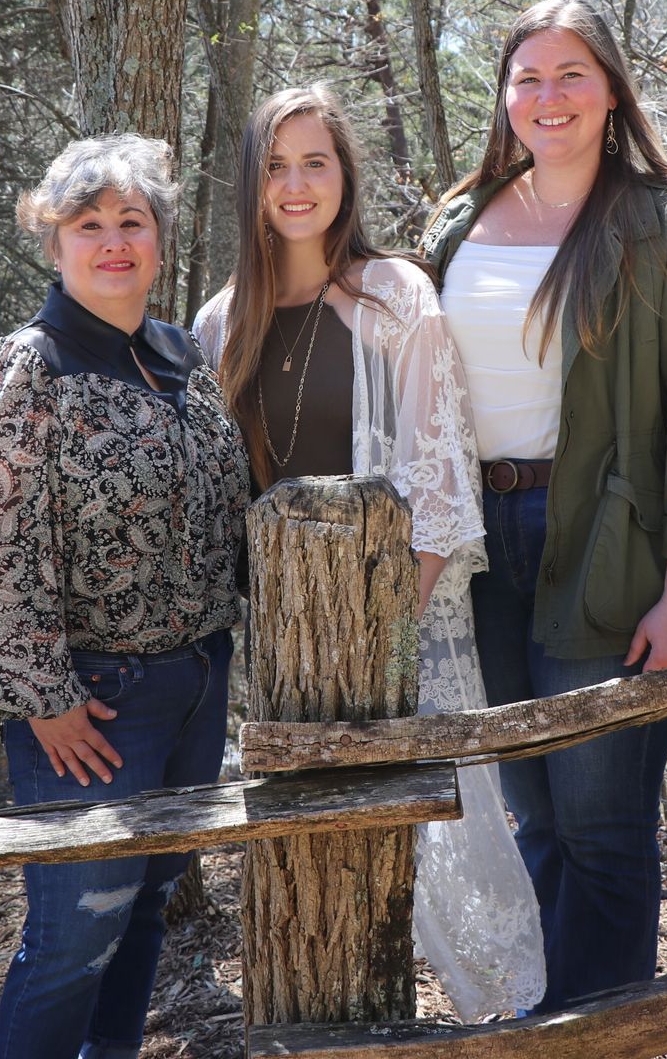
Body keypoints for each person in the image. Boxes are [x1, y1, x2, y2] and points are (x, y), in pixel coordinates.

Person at [419, 0, 667, 1012]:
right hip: (482, 545)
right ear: (505, 94)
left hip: (611, 544)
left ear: (612, 87)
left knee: (602, 823)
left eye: (572, 74)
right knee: (536, 821)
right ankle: (546, 1025)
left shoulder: (661, 222)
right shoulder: (459, 217)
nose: (549, 96)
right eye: (529, 77)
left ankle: (603, 1035)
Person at [194, 84, 546, 1019]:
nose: (297, 183)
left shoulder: (396, 297)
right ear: (251, 185)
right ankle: (327, 1026)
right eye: (276, 165)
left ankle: (510, 1021)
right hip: (285, 640)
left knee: (449, 833)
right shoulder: (221, 322)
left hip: (404, 624)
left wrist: (380, 628)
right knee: (310, 860)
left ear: (346, 176)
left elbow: (441, 479)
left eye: (317, 162)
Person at [0, 134, 249, 1059]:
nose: (113, 241)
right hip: (95, 706)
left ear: (159, 240)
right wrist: (47, 701)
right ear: (54, 243)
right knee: (73, 940)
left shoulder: (181, 357)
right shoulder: (25, 370)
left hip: (194, 684)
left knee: (146, 910)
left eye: (132, 222)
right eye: (89, 224)